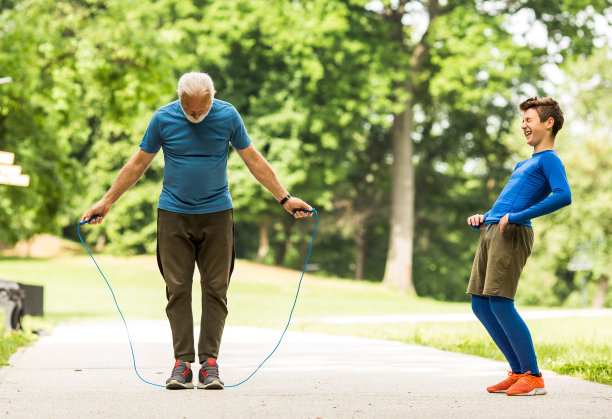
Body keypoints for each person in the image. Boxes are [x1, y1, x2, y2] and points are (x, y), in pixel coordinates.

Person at [81, 72, 313, 390]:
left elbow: (254, 160)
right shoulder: (163, 119)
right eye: (189, 110)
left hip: (217, 214)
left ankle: (210, 365)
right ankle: (182, 364)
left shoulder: (228, 115)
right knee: (177, 289)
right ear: (180, 100)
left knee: (216, 289)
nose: (196, 116)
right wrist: (106, 202)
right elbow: (137, 164)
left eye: (201, 110)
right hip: (173, 215)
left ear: (211, 99)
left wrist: (284, 198)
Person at [466, 97, 571, 396]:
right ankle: (518, 371)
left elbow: (564, 195)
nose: (523, 125)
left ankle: (534, 375)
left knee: (500, 302)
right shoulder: (524, 163)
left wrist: (519, 216)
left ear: (548, 123)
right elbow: (510, 201)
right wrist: (485, 216)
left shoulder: (549, 159)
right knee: (480, 303)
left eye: (529, 119)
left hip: (513, 233)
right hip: (492, 230)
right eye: (522, 120)